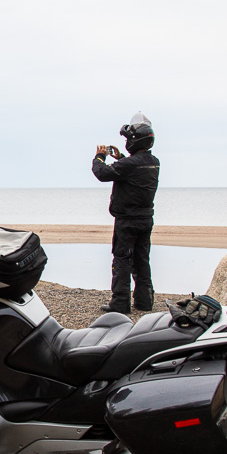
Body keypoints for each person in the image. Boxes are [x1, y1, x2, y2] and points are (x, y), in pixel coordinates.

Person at [92, 112, 160, 315]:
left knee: (121, 259)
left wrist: (99, 156)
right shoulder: (153, 162)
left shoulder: (130, 165)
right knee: (141, 258)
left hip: (127, 220)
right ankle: (144, 301)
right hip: (146, 218)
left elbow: (102, 173)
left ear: (134, 140)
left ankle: (120, 303)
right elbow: (131, 170)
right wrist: (120, 157)